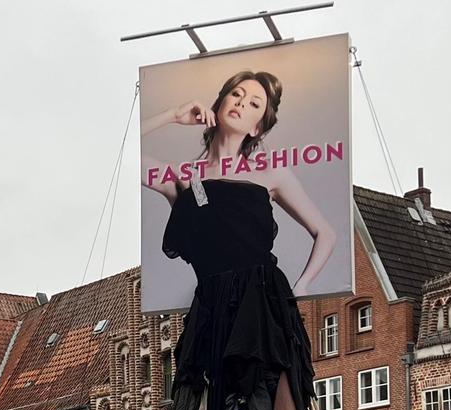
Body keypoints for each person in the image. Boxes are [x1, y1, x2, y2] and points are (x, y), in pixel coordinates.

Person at [143, 70, 337, 298]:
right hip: (210, 307)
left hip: (262, 305)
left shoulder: (270, 173)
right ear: (220, 102)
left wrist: (301, 286)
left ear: (257, 128)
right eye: (236, 94)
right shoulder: (183, 176)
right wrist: (173, 115)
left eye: (254, 104)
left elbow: (325, 232)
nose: (241, 103)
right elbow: (120, 154)